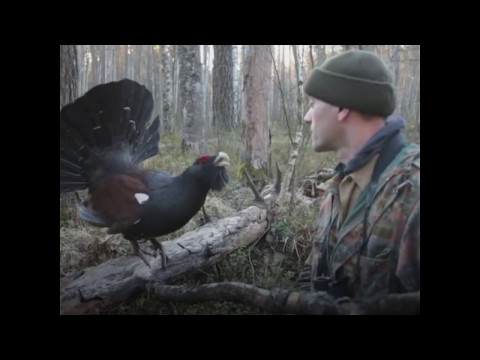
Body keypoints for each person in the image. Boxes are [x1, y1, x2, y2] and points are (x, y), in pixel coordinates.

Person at [298, 50, 420, 300]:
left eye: (313, 105)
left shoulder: (413, 191)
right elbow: (312, 276)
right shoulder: (340, 185)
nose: (307, 117)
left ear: (342, 107)